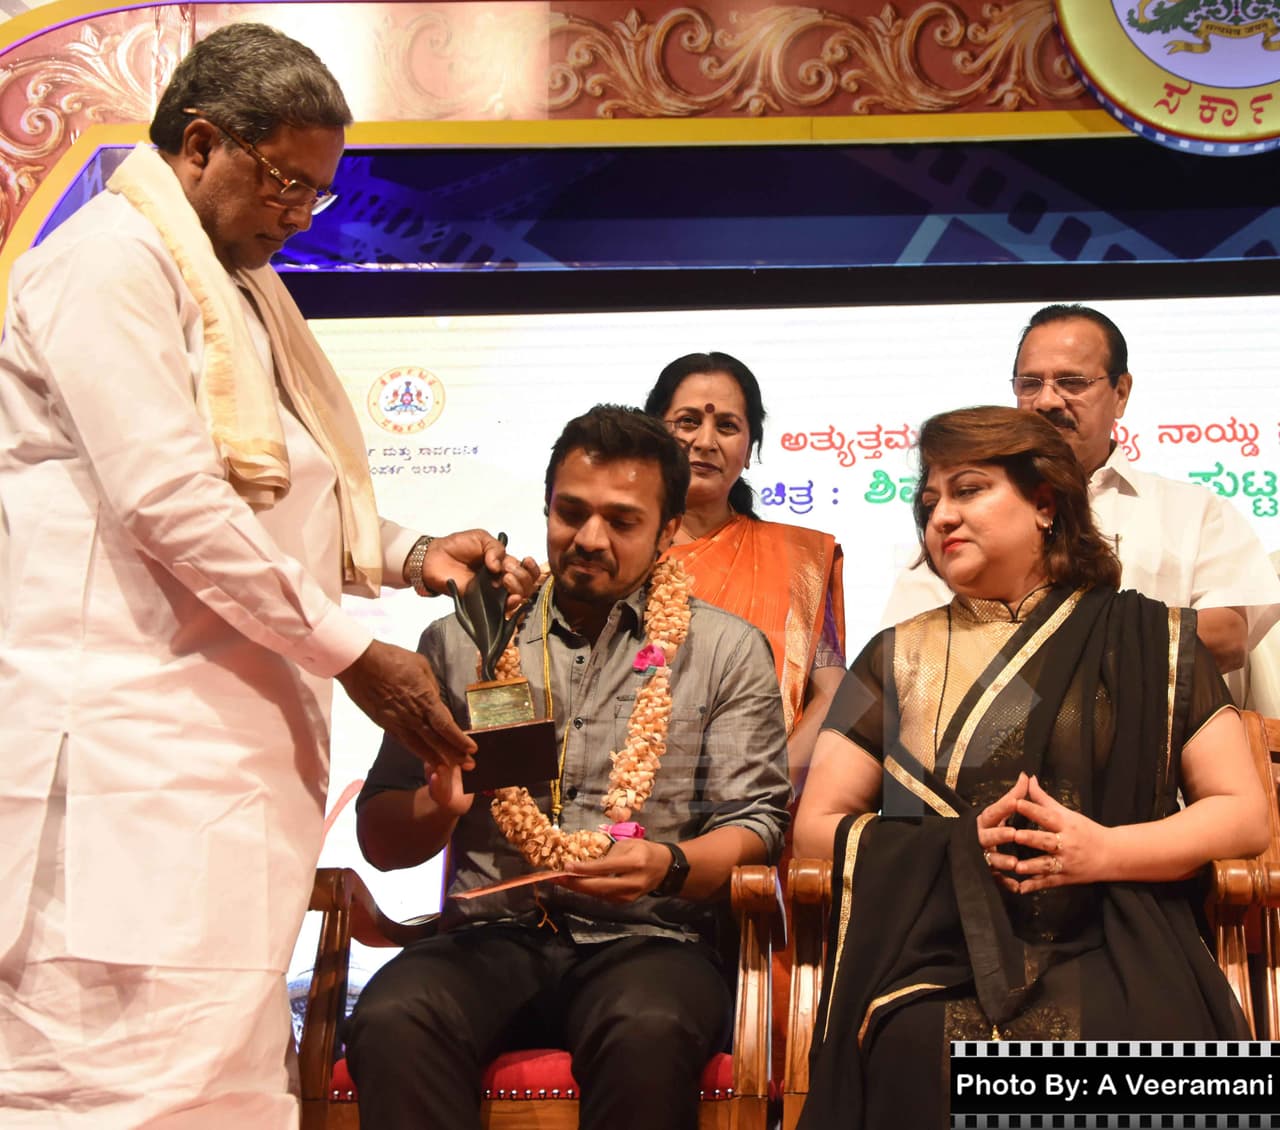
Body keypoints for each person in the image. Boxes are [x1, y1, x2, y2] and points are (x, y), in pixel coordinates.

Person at [0, 24, 536, 1128]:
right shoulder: (109, 262)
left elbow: (273, 495)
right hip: (127, 771)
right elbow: (169, 500)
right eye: (286, 182)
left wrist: (408, 554)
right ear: (200, 144)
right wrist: (354, 654)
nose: (300, 215)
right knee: (110, 1096)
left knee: (225, 1091)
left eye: (318, 193)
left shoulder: (238, 286)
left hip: (216, 774)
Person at [794, 407, 1268, 1128]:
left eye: (968, 490)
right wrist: (957, 850)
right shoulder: (889, 656)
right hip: (941, 954)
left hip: (1118, 935)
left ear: (1045, 504)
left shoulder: (1155, 639)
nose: (941, 516)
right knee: (921, 1048)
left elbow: (1243, 812)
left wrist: (1103, 851)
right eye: (929, 501)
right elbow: (816, 827)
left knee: (1146, 1049)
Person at [345, 405, 791, 1130]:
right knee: (395, 1015)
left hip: (650, 943)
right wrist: (439, 806)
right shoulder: (463, 642)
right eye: (572, 512)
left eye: (622, 521)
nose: (589, 538)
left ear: (668, 531)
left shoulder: (724, 650)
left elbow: (757, 824)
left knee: (647, 1027)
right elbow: (382, 842)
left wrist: (668, 864)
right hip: (486, 938)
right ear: (547, 506)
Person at [881, 304, 1280, 680]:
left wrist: (1064, 659)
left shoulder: (1193, 512)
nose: (1046, 400)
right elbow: (907, 657)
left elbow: (1226, 638)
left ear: (1120, 393)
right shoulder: (966, 523)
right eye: (1029, 384)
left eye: (1072, 382)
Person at [643, 351, 845, 789]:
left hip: (760, 806)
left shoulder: (796, 557)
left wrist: (763, 789)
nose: (705, 441)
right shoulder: (617, 558)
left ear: (750, 450)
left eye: (727, 426)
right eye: (687, 421)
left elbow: (834, 694)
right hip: (624, 800)